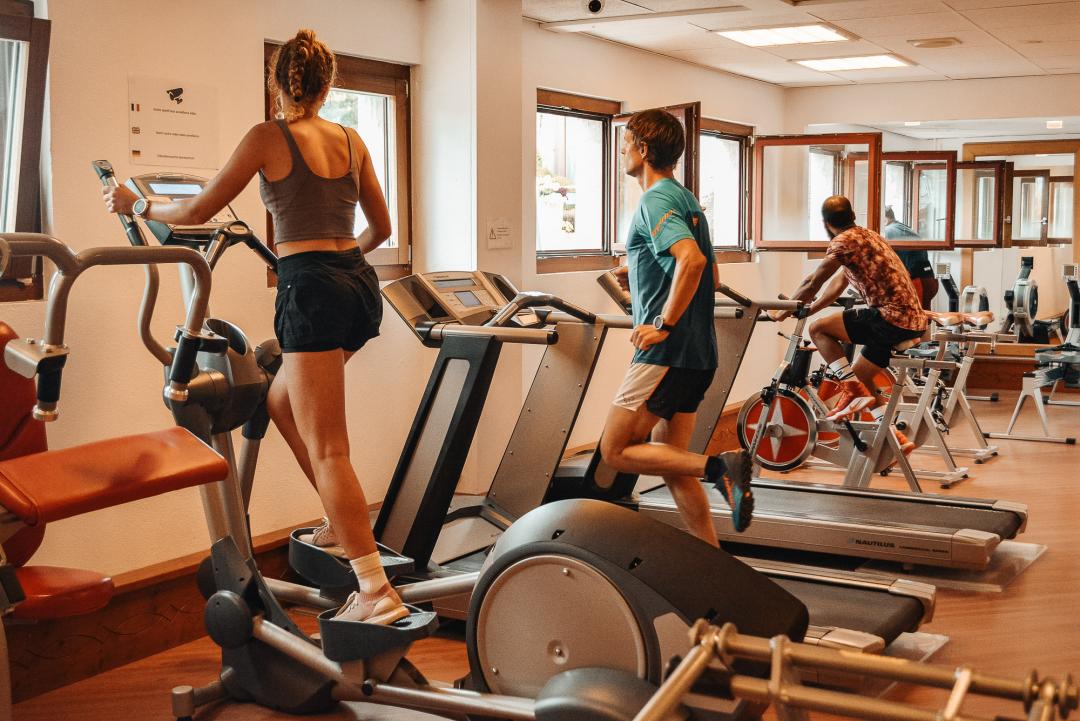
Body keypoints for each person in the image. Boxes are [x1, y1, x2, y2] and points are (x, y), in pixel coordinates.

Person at [103, 29, 407, 625]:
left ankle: (373, 590)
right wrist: (342, 266)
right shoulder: (352, 139)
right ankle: (336, 520)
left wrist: (134, 205)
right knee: (280, 400)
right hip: (356, 283)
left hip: (311, 288)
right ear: (328, 83)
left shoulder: (269, 137)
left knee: (329, 444)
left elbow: (193, 211)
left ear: (279, 80)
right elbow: (382, 227)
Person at [602, 109, 754, 540]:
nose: (622, 154)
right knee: (672, 462)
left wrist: (662, 324)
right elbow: (712, 278)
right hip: (698, 351)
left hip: (667, 351)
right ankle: (712, 563)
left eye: (626, 144)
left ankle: (721, 466)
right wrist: (637, 272)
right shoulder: (688, 200)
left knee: (615, 451)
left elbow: (693, 261)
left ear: (644, 150)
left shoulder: (655, 199)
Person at [772, 197, 928, 454]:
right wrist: (811, 308)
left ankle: (851, 390)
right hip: (911, 321)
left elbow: (814, 282)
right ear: (852, 215)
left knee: (818, 330)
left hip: (890, 318)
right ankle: (897, 437)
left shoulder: (843, 242)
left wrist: (785, 309)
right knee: (862, 374)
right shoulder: (867, 236)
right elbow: (838, 283)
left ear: (826, 223)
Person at [883, 206, 938, 310]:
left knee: (914, 320)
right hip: (928, 280)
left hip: (917, 282)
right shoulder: (904, 228)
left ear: (885, 219)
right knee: (922, 319)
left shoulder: (888, 231)